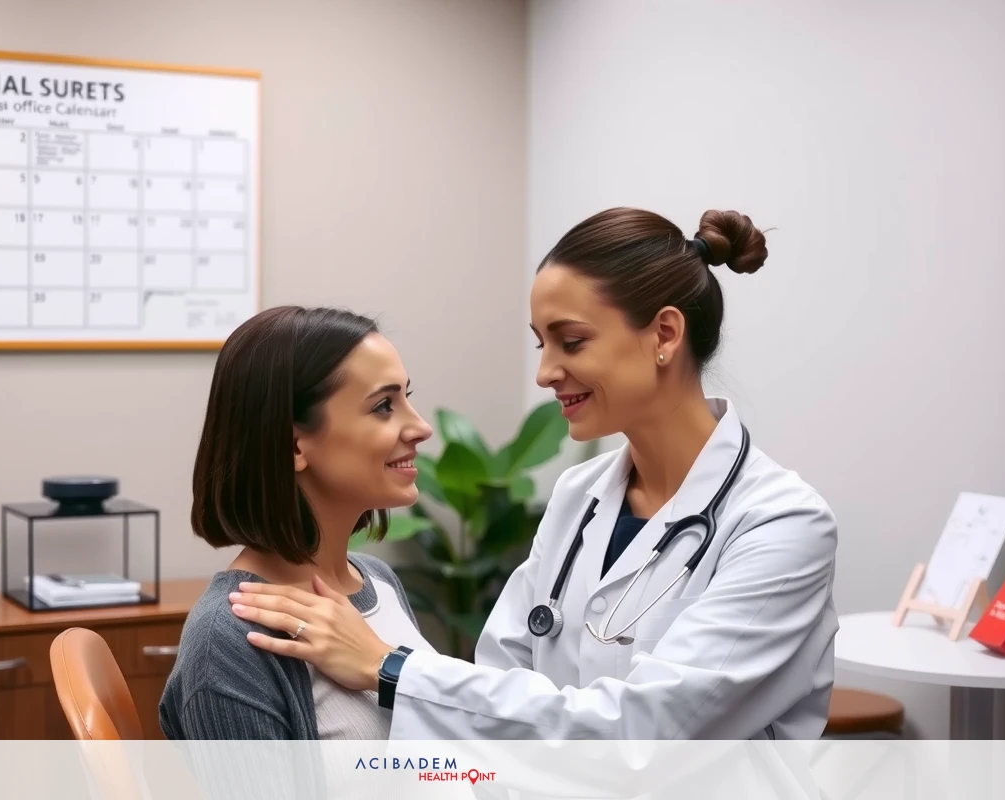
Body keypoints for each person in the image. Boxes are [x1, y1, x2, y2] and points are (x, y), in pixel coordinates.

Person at [228, 207, 840, 742]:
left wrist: (391, 669)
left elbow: (649, 733)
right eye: (539, 344)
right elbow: (500, 681)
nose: (545, 372)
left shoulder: (780, 525)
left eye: (570, 342)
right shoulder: (582, 497)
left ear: (664, 334)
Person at [158, 305, 437, 742]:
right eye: (384, 405)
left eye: (407, 397)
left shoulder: (378, 581)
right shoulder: (228, 642)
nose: (421, 427)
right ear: (293, 446)